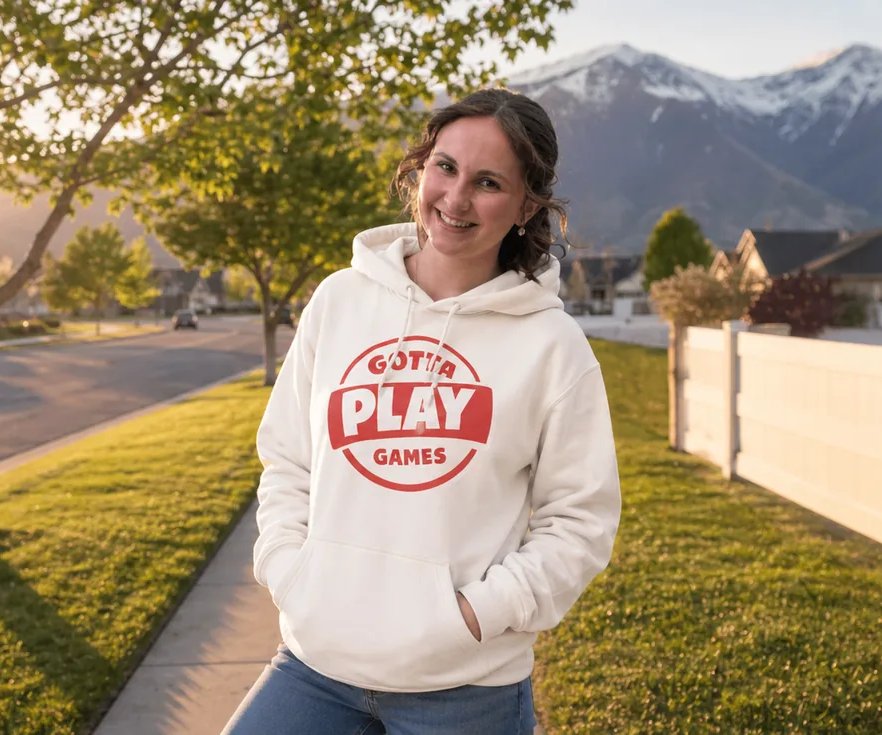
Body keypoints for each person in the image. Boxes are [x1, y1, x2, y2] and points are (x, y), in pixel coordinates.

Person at [223, 87, 621, 734]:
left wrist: (475, 614)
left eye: (487, 181)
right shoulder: (341, 300)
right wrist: (290, 570)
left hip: (464, 687)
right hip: (318, 661)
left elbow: (580, 519)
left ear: (526, 205)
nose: (456, 198)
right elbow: (288, 456)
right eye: (445, 167)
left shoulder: (551, 343)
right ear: (420, 168)